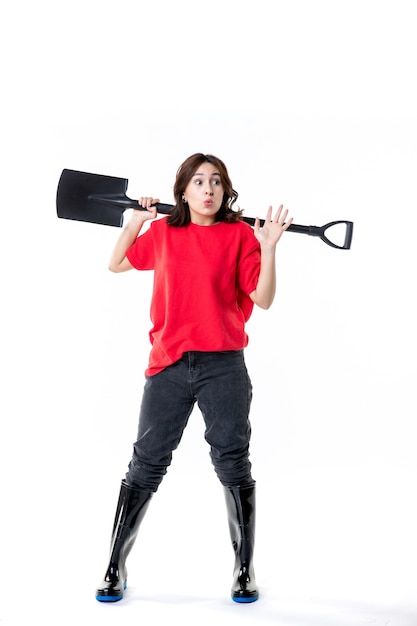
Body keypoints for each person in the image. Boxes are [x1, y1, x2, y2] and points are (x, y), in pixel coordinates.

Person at [95, 153, 293, 604]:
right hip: (167, 364)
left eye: (216, 182)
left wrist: (268, 247)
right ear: (182, 191)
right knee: (145, 464)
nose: (208, 190)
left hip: (224, 366)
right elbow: (117, 264)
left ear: (225, 192)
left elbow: (262, 300)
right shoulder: (164, 233)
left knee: (232, 462)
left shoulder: (240, 235)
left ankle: (245, 569)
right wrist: (135, 222)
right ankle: (114, 565)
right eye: (199, 182)